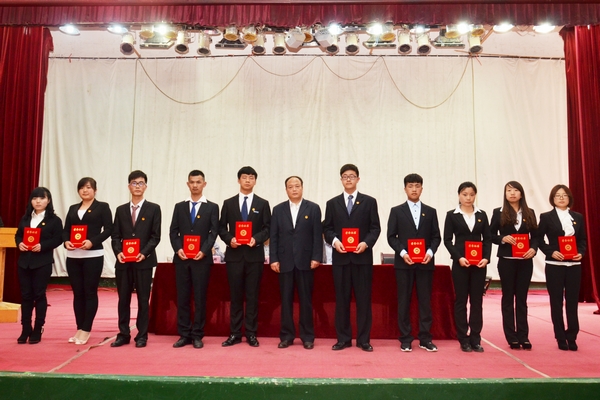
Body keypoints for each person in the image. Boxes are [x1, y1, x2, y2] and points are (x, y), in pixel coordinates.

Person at [323, 164, 381, 352]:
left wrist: (365, 243)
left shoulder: (369, 202)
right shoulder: (332, 203)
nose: (348, 179)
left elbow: (375, 228)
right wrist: (335, 242)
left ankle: (364, 340)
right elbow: (327, 229)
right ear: (341, 179)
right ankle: (343, 339)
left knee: (364, 301)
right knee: (341, 301)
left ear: (358, 179)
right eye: (345, 176)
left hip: (362, 259)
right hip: (340, 260)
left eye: (352, 176)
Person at [387, 173, 441, 352]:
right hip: (404, 264)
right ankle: (405, 338)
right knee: (404, 301)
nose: (414, 189)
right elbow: (391, 236)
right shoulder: (396, 211)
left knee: (425, 302)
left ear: (422, 189)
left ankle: (425, 338)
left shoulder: (431, 211)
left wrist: (430, 252)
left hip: (425, 263)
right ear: (405, 189)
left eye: (417, 186)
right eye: (410, 186)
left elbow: (436, 237)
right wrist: (403, 253)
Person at [219, 166, 271, 347]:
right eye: (244, 177)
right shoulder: (228, 203)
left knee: (252, 296)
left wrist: (256, 239)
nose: (248, 180)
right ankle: (234, 333)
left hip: (254, 256)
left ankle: (251, 333)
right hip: (234, 256)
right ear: (238, 180)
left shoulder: (262, 203)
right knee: (235, 297)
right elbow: (221, 227)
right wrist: (229, 239)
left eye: (251, 177)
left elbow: (268, 228)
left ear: (255, 181)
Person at [270, 176, 322, 350]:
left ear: (302, 188)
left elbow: (317, 235)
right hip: (284, 261)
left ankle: (307, 337)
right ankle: (287, 336)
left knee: (306, 301)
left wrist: (316, 257)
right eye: (290, 186)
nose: (294, 189)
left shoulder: (313, 208)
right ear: (286, 189)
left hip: (306, 261)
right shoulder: (278, 210)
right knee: (285, 301)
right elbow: (274, 236)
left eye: (297, 186)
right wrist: (274, 258)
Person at [110, 170, 161, 348]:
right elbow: (115, 235)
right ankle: (123, 333)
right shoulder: (121, 210)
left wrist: (144, 253)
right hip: (123, 262)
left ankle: (142, 335)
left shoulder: (154, 209)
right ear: (129, 186)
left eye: (141, 183)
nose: (137, 186)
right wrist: (118, 252)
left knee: (143, 299)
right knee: (123, 299)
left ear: (145, 186)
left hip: (143, 262)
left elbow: (155, 236)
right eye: (134, 183)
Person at [169, 170, 219, 349]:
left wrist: (204, 251)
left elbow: (213, 232)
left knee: (200, 298)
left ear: (204, 184)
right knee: (182, 298)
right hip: (182, 259)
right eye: (192, 182)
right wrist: (178, 249)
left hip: (202, 260)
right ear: (187, 184)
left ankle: (197, 334)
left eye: (198, 182)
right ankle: (184, 334)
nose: (195, 185)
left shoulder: (212, 207)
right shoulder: (179, 207)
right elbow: (173, 231)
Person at [63, 177, 113, 345]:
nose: (85, 190)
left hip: (93, 255)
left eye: (89, 187)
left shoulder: (102, 207)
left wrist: (93, 241)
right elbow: (66, 230)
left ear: (95, 190)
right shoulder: (73, 208)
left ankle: (86, 329)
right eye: (82, 187)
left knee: (90, 292)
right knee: (78, 293)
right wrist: (66, 242)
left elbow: (109, 229)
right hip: (73, 256)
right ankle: (79, 327)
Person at [443, 181, 491, 353]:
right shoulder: (452, 215)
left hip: (479, 265)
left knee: (477, 301)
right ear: (459, 195)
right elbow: (447, 240)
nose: (468, 198)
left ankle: (475, 338)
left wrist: (486, 258)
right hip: (461, 264)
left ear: (475, 195)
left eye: (471, 194)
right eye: (465, 194)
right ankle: (463, 338)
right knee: (461, 301)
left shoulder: (482, 215)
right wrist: (459, 258)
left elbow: (487, 239)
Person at [537, 184, 587, 351]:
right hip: (555, 265)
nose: (561, 198)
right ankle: (560, 337)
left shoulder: (578, 217)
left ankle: (572, 336)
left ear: (569, 198)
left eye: (564, 195)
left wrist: (581, 252)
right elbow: (539, 239)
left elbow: (582, 240)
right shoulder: (546, 217)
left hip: (574, 265)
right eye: (558, 195)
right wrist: (551, 252)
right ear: (553, 198)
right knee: (556, 301)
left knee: (572, 302)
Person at [490, 181, 538, 350]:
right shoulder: (498, 212)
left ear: (521, 194)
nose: (512, 193)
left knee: (522, 299)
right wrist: (502, 238)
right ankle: (511, 337)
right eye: (508, 190)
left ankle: (523, 336)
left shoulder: (530, 212)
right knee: (508, 297)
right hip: (507, 261)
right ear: (505, 194)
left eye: (515, 190)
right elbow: (490, 234)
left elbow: (536, 236)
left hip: (525, 261)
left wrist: (533, 249)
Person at [14, 187, 63, 344]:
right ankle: (25, 328)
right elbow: (18, 235)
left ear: (48, 201)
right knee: (26, 296)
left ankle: (38, 328)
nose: (38, 201)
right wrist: (19, 243)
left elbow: (58, 239)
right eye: (35, 198)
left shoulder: (54, 220)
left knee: (39, 295)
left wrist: (42, 246)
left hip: (42, 262)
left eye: (42, 198)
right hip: (24, 263)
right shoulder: (26, 218)